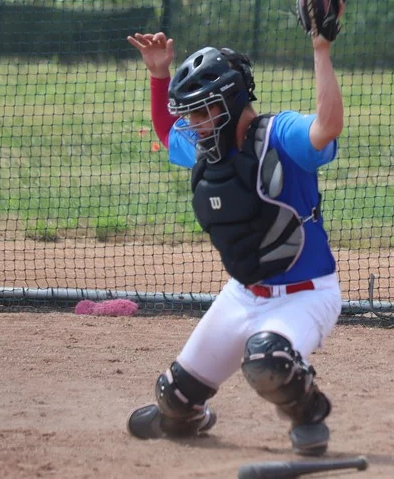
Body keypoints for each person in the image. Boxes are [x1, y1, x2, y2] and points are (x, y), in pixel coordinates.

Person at [124, 22, 344, 455]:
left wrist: (321, 49)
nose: (194, 123)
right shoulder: (208, 146)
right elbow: (169, 135)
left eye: (203, 111)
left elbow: (327, 127)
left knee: (267, 361)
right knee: (174, 398)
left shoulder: (278, 136)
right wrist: (158, 75)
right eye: (191, 112)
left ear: (230, 101)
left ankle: (309, 410)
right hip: (242, 296)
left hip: (305, 295)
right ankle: (190, 417)